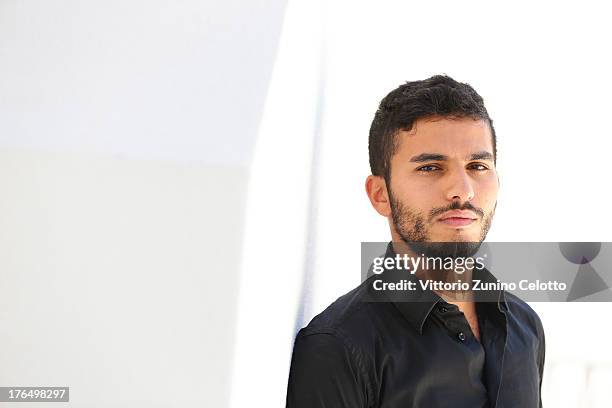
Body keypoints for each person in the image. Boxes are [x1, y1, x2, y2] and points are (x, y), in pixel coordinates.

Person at [285, 75, 545, 407]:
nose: (462, 190)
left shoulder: (526, 328)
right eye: (431, 167)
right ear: (380, 195)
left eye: (478, 165)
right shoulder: (339, 346)